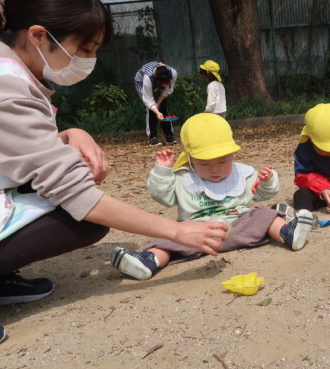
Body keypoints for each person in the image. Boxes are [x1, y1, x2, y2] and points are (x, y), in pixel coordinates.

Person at [0, 0, 226, 341]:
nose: (89, 59)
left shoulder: (9, 68)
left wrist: (70, 134)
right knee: (83, 217)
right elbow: (77, 195)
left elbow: (14, 148)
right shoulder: (4, 86)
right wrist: (177, 230)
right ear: (37, 35)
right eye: (84, 49)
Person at [111, 113, 315, 280]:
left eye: (222, 162)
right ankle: (149, 261)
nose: (215, 169)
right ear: (191, 159)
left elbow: (263, 194)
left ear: (233, 155)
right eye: (204, 164)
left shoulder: (241, 173)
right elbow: (163, 197)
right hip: (194, 235)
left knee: (263, 214)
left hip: (238, 227)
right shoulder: (183, 178)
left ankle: (288, 234)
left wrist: (266, 180)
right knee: (166, 236)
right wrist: (162, 173)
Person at [134, 59, 178, 146]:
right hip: (141, 81)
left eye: (166, 83)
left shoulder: (173, 73)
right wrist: (157, 112)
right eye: (163, 83)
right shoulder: (148, 78)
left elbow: (167, 90)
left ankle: (169, 135)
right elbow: (148, 100)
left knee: (163, 106)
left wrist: (158, 103)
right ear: (157, 80)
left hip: (156, 81)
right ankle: (153, 137)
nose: (165, 85)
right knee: (151, 109)